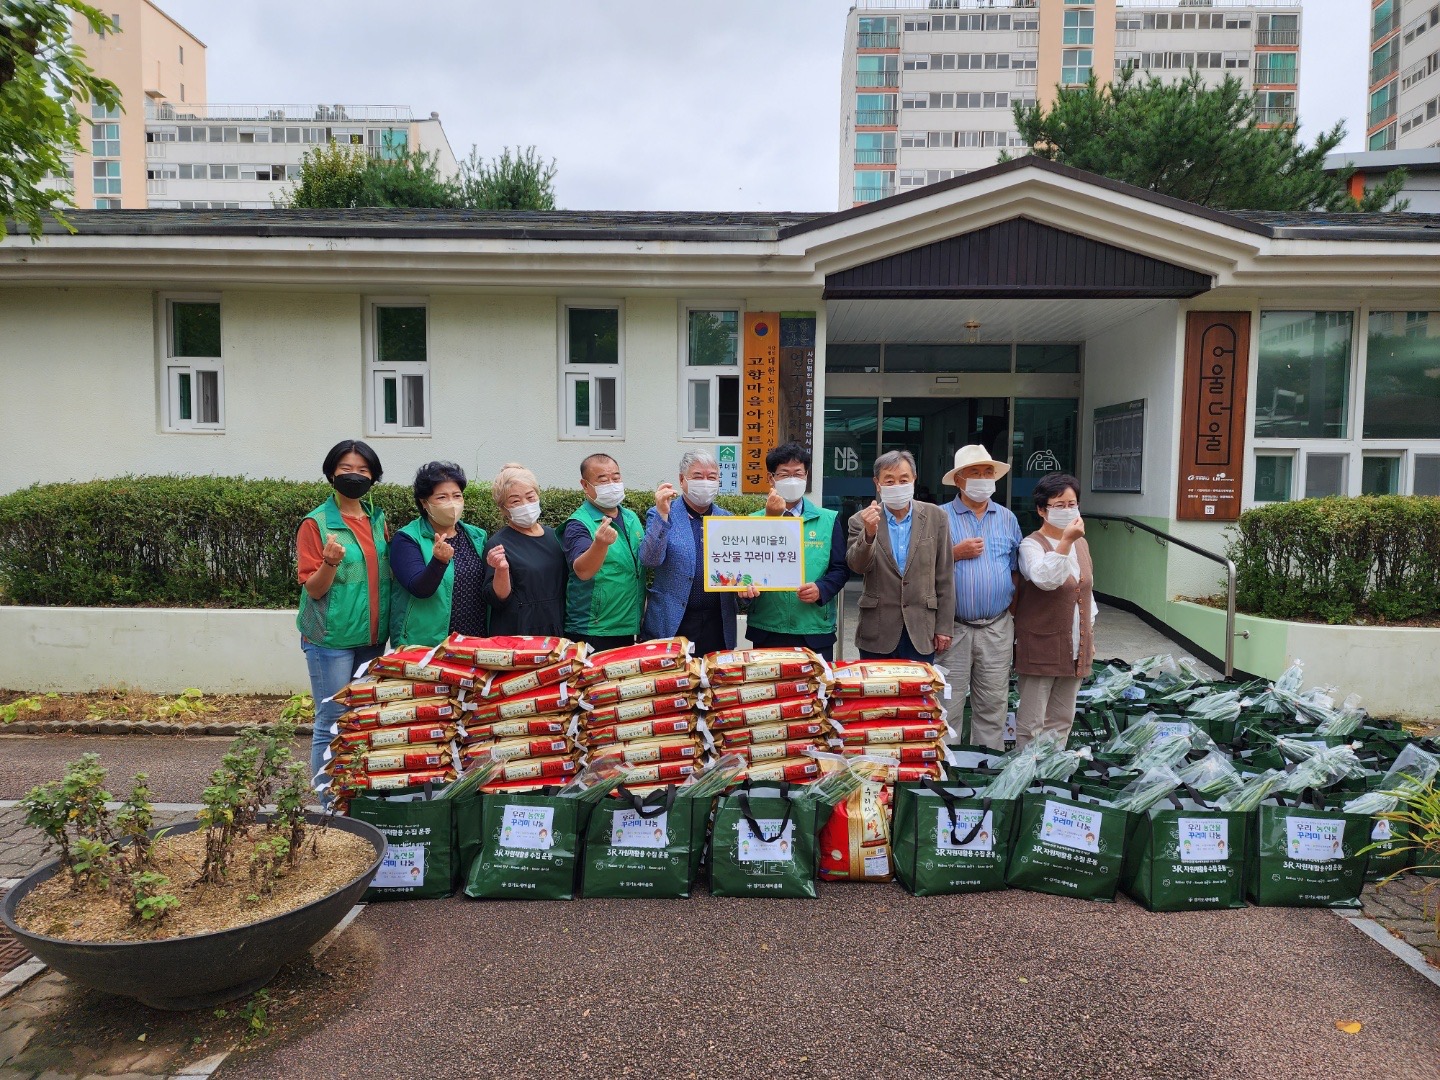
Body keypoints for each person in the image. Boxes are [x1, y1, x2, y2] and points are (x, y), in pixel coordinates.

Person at [296, 439, 391, 794]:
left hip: (372, 639)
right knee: (331, 718)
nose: (355, 476)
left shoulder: (376, 517)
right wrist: (330, 562)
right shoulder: (316, 523)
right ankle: (326, 798)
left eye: (363, 470)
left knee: (364, 717)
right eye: (346, 469)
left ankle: (355, 794)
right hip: (330, 639)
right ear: (331, 473)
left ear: (374, 476)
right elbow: (315, 589)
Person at [938, 445, 1023, 750]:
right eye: (975, 473)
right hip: (953, 628)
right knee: (947, 706)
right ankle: (947, 772)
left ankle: (985, 768)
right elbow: (920, 570)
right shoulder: (938, 518)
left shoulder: (1007, 518)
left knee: (993, 704)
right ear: (959, 480)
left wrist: (1006, 612)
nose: (983, 479)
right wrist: (953, 554)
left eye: (988, 473)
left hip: (996, 627)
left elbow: (1015, 570)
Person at [845, 449, 955, 663]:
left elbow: (945, 576)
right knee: (878, 693)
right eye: (889, 481)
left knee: (917, 693)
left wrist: (944, 627)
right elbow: (857, 566)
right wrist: (869, 533)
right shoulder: (860, 520)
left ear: (914, 479)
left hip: (921, 629)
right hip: (877, 630)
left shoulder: (936, 517)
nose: (897, 486)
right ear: (877, 483)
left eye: (903, 480)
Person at [1014, 472, 1098, 749]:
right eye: (1058, 505)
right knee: (1032, 723)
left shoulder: (1082, 544)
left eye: (1071, 504)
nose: (1067, 510)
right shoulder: (1031, 545)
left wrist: (1089, 636)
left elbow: (1086, 594)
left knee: (1062, 719)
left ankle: (1050, 776)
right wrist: (1065, 542)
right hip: (1041, 646)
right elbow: (1046, 580)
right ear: (1041, 509)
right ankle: (1023, 775)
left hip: (1075, 646)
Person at [743, 442, 849, 661]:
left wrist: (822, 588)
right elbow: (745, 569)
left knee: (816, 693)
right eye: (784, 474)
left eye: (798, 473)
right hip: (767, 627)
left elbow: (840, 568)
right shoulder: (752, 521)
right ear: (771, 478)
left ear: (806, 476)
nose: (792, 479)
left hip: (814, 629)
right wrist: (771, 519)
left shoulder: (828, 519)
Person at [639, 450, 740, 656]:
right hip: (674, 620)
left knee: (715, 684)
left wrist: (745, 590)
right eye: (697, 476)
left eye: (712, 477)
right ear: (681, 480)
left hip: (717, 622)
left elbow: (736, 571)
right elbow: (650, 560)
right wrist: (662, 515)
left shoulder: (727, 519)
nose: (705, 482)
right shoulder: (663, 513)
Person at [388, 461, 488, 647]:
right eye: (442, 497)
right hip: (426, 644)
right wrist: (438, 561)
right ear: (424, 503)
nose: (452, 503)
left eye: (457, 496)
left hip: (474, 640)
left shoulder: (476, 536)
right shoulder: (407, 538)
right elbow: (419, 588)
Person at [563, 453, 646, 650]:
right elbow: (582, 570)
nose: (612, 484)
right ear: (585, 485)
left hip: (627, 626)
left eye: (616, 478)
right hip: (593, 629)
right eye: (603, 480)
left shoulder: (630, 517)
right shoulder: (578, 523)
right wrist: (600, 544)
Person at [480, 463, 567, 636]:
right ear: (503, 509)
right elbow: (497, 599)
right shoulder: (498, 544)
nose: (525, 504)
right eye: (515, 501)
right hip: (519, 630)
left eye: (530, 497)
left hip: (558, 624)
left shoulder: (555, 537)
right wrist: (501, 569)